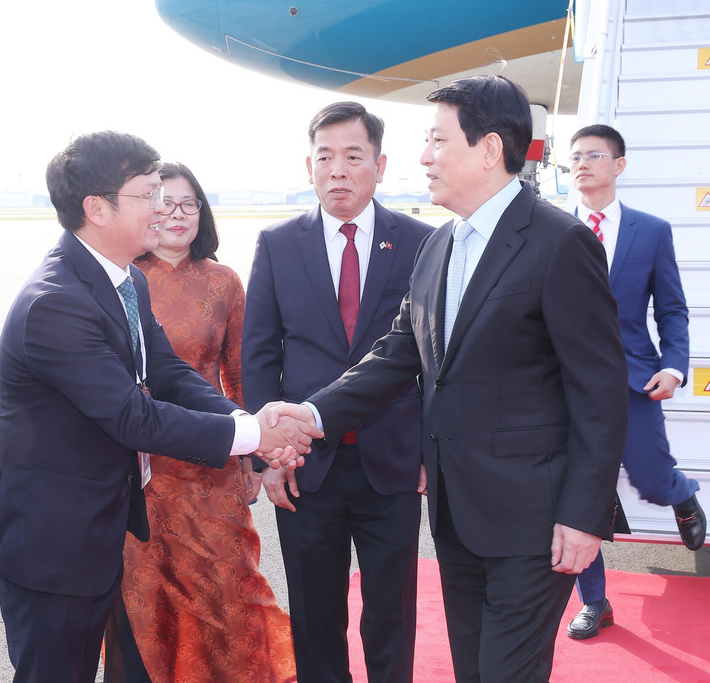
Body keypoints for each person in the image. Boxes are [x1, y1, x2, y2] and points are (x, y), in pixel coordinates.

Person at [289, 76, 628, 682]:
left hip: (535, 523)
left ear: (490, 149)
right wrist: (310, 417)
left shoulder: (561, 242)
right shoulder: (439, 244)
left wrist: (585, 516)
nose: (424, 156)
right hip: (457, 518)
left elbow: (599, 392)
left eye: (437, 140)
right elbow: (395, 356)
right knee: (473, 671)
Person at [0, 131, 320, 683]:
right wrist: (254, 436)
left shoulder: (125, 279)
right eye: (148, 194)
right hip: (52, 540)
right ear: (97, 209)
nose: (162, 207)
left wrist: (241, 420)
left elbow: (167, 373)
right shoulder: (55, 303)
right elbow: (133, 416)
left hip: (93, 529)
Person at [242, 101, 432, 683]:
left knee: (391, 611)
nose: (338, 170)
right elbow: (259, 355)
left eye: (353, 156)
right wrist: (265, 457)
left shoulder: (422, 241)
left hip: (392, 462)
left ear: (379, 165)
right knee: (314, 612)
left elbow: (431, 359)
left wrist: (428, 452)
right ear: (309, 166)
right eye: (326, 157)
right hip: (304, 468)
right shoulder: (277, 244)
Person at [102, 161, 297, 683]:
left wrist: (255, 455)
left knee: (229, 591)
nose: (178, 214)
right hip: (142, 467)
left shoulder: (224, 280)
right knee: (146, 595)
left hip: (215, 464)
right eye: (165, 202)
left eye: (190, 203)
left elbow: (239, 373)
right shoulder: (123, 280)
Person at [565, 124, 703, 639]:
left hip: (635, 379)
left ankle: (681, 492)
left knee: (649, 476)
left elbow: (672, 309)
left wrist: (672, 365)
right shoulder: (551, 230)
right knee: (577, 493)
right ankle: (595, 601)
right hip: (567, 387)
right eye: (574, 157)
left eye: (593, 155)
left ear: (618, 165)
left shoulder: (651, 230)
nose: (581, 163)